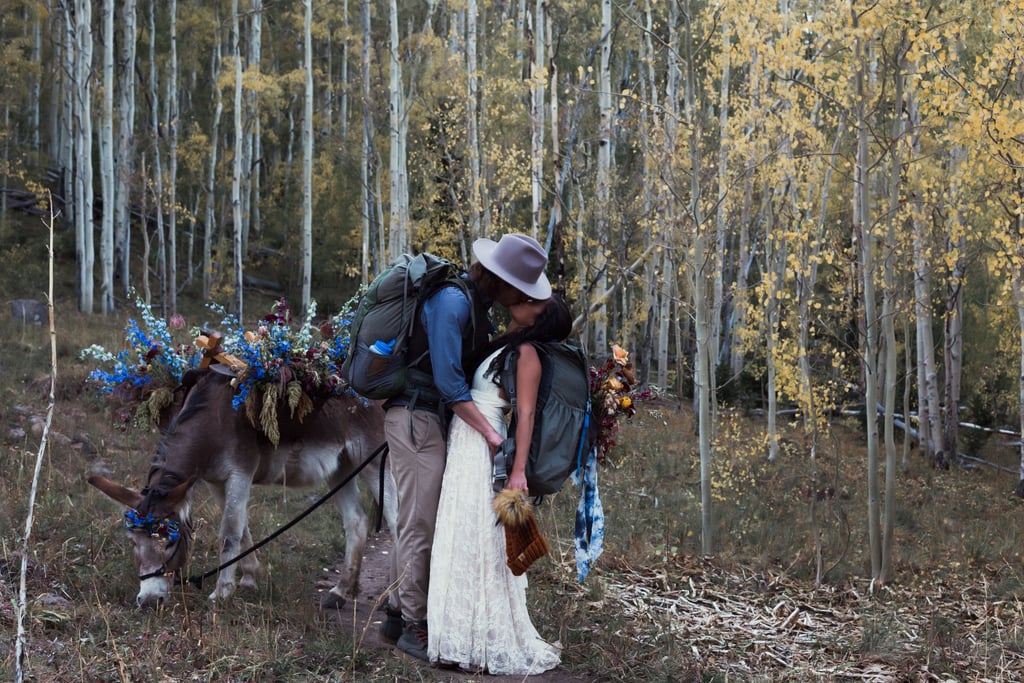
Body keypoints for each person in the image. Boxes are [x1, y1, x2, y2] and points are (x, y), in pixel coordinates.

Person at [381, 233, 553, 662]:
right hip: (416, 416)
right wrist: (495, 438)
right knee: (419, 522)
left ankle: (397, 613)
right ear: (504, 281)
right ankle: (414, 628)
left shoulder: (477, 307)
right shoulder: (455, 303)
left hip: (431, 418)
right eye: (525, 292)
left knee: (424, 517)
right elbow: (450, 384)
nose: (527, 301)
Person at [427, 295, 572, 675]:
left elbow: (524, 416)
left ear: (539, 318)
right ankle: (455, 636)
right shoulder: (506, 346)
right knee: (461, 531)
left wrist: (519, 471)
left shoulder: (527, 355)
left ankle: (483, 640)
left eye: (534, 302)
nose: (523, 300)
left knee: (481, 537)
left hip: (484, 446)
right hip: (467, 439)